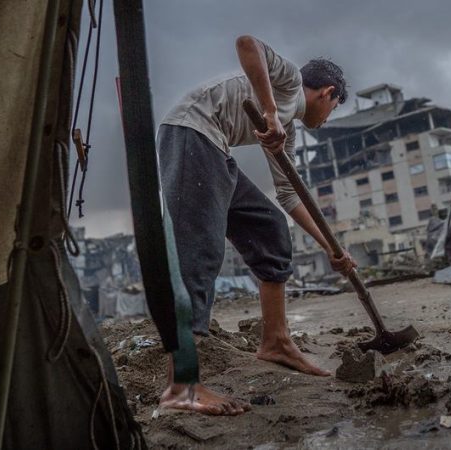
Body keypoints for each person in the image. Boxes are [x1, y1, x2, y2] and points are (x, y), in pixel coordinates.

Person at [153, 36, 357, 416]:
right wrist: (269, 111)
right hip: (189, 133)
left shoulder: (288, 133)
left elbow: (291, 197)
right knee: (199, 252)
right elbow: (248, 44)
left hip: (216, 149)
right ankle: (181, 386)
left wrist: (333, 248)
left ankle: (276, 341)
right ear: (327, 93)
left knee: (270, 230)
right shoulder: (290, 83)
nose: (327, 120)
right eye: (332, 110)